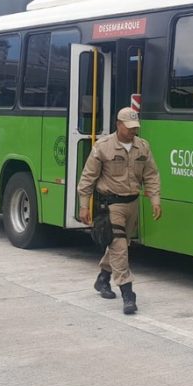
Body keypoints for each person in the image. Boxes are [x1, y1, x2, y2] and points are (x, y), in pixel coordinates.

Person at [77, 107, 162, 315]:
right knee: (120, 247)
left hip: (132, 204)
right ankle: (128, 294)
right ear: (118, 124)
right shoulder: (103, 147)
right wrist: (83, 204)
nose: (133, 131)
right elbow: (88, 177)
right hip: (111, 205)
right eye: (129, 127)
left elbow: (151, 175)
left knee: (121, 245)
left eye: (136, 128)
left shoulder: (143, 147)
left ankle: (103, 279)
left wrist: (155, 199)